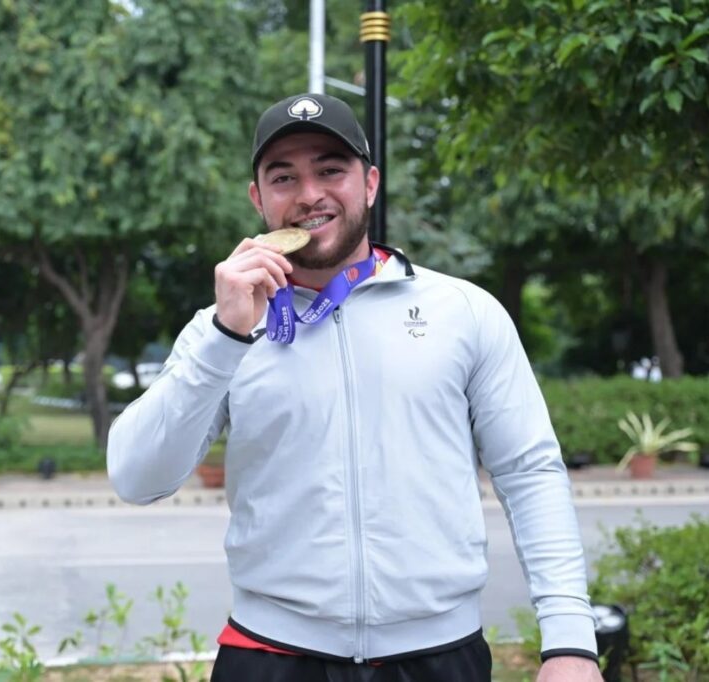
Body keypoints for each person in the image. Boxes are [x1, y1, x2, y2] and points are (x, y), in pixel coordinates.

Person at [107, 93, 602, 682]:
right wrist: (225, 336)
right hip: (271, 654)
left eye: (330, 170)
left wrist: (571, 641)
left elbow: (529, 471)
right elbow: (136, 478)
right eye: (283, 177)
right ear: (258, 198)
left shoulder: (464, 311)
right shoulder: (222, 327)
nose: (309, 194)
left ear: (369, 184)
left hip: (439, 656)